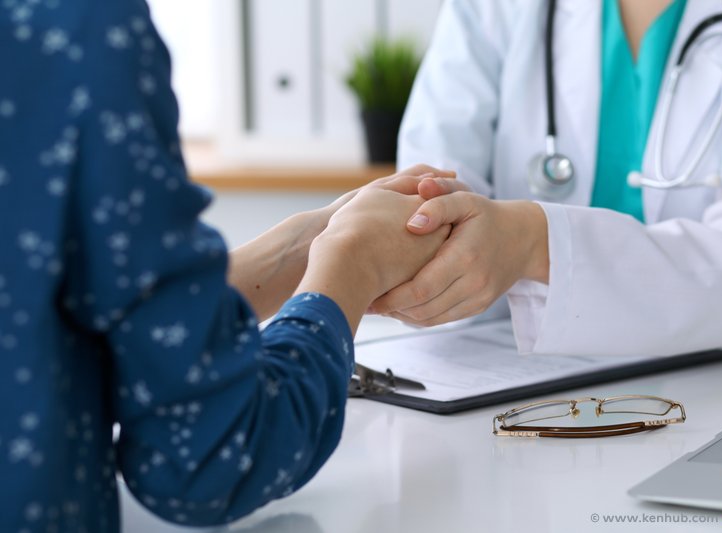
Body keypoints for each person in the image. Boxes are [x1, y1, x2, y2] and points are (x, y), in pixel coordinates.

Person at [0, 2, 461, 531]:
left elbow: (41, 326)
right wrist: (351, 265)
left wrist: (299, 251)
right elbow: (208, 457)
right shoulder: (81, 27)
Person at [373, 0, 722, 356]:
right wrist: (438, 225)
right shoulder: (493, 8)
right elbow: (431, 183)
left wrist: (536, 243)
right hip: (506, 374)